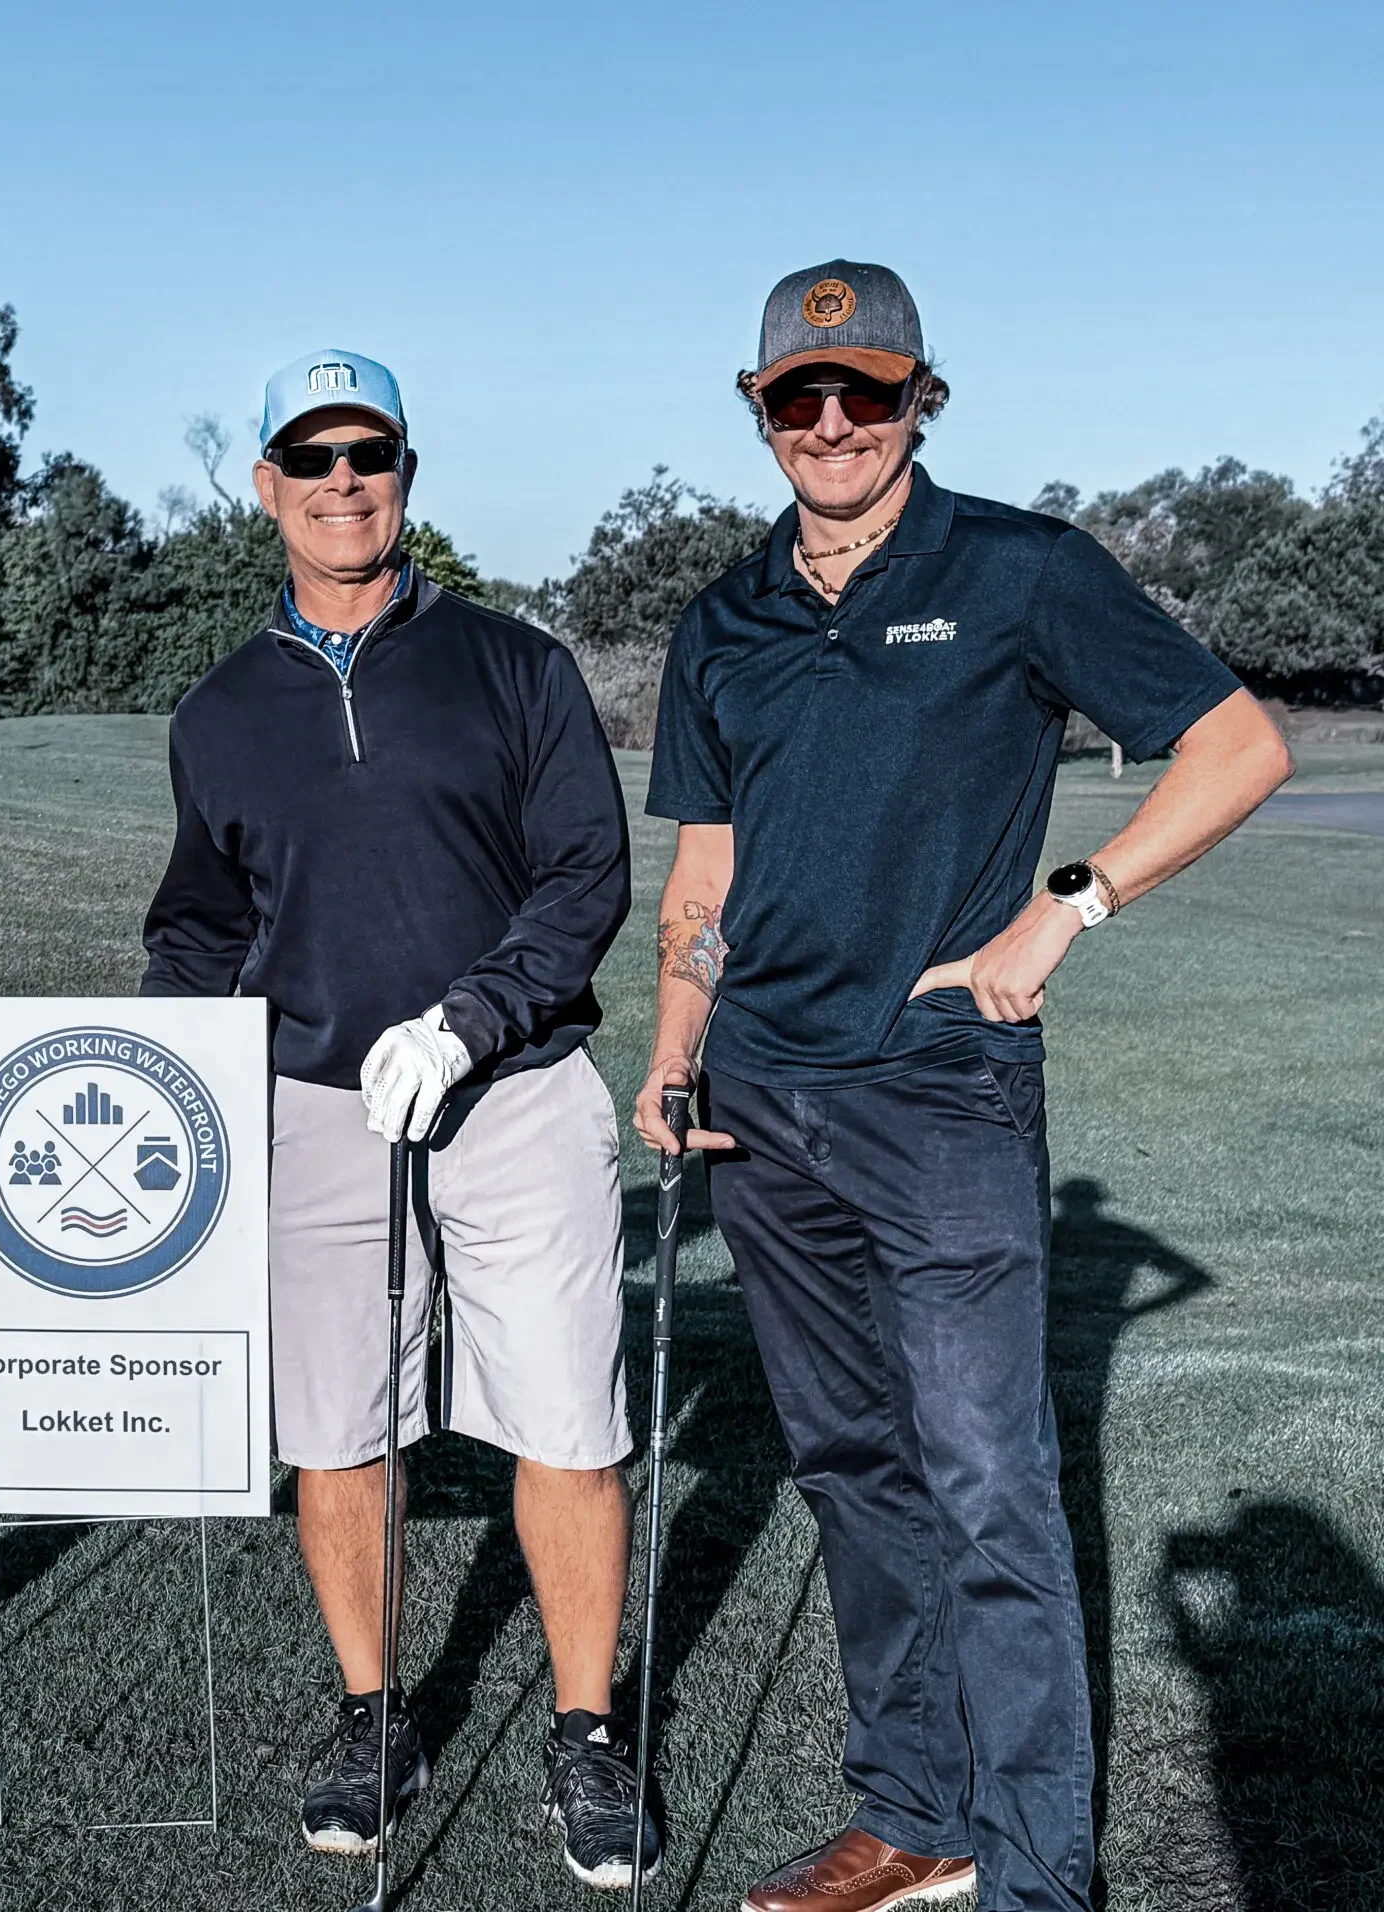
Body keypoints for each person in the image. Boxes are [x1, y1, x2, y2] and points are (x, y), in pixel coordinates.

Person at [635, 261, 1293, 1912]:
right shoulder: (724, 617)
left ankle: (1039, 1874)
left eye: (868, 389)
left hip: (939, 1095)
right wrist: (667, 1050)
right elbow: (703, 872)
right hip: (762, 1105)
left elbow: (1239, 744)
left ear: (924, 393)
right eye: (803, 396)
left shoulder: (1020, 568)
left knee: (987, 1484)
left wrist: (1069, 907)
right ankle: (916, 1813)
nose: (836, 420)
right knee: (854, 1470)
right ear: (761, 410)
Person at [142, 349, 658, 1888]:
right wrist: (169, 1065)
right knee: (339, 1432)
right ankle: (373, 1712)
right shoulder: (222, 709)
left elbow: (585, 878)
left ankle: (583, 1729)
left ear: (408, 473)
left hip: (513, 1090)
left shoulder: (513, 664)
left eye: (370, 454)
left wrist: (469, 1020)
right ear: (266, 487)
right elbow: (198, 926)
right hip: (314, 1111)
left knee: (567, 1417)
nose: (343, 481)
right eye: (312, 458)